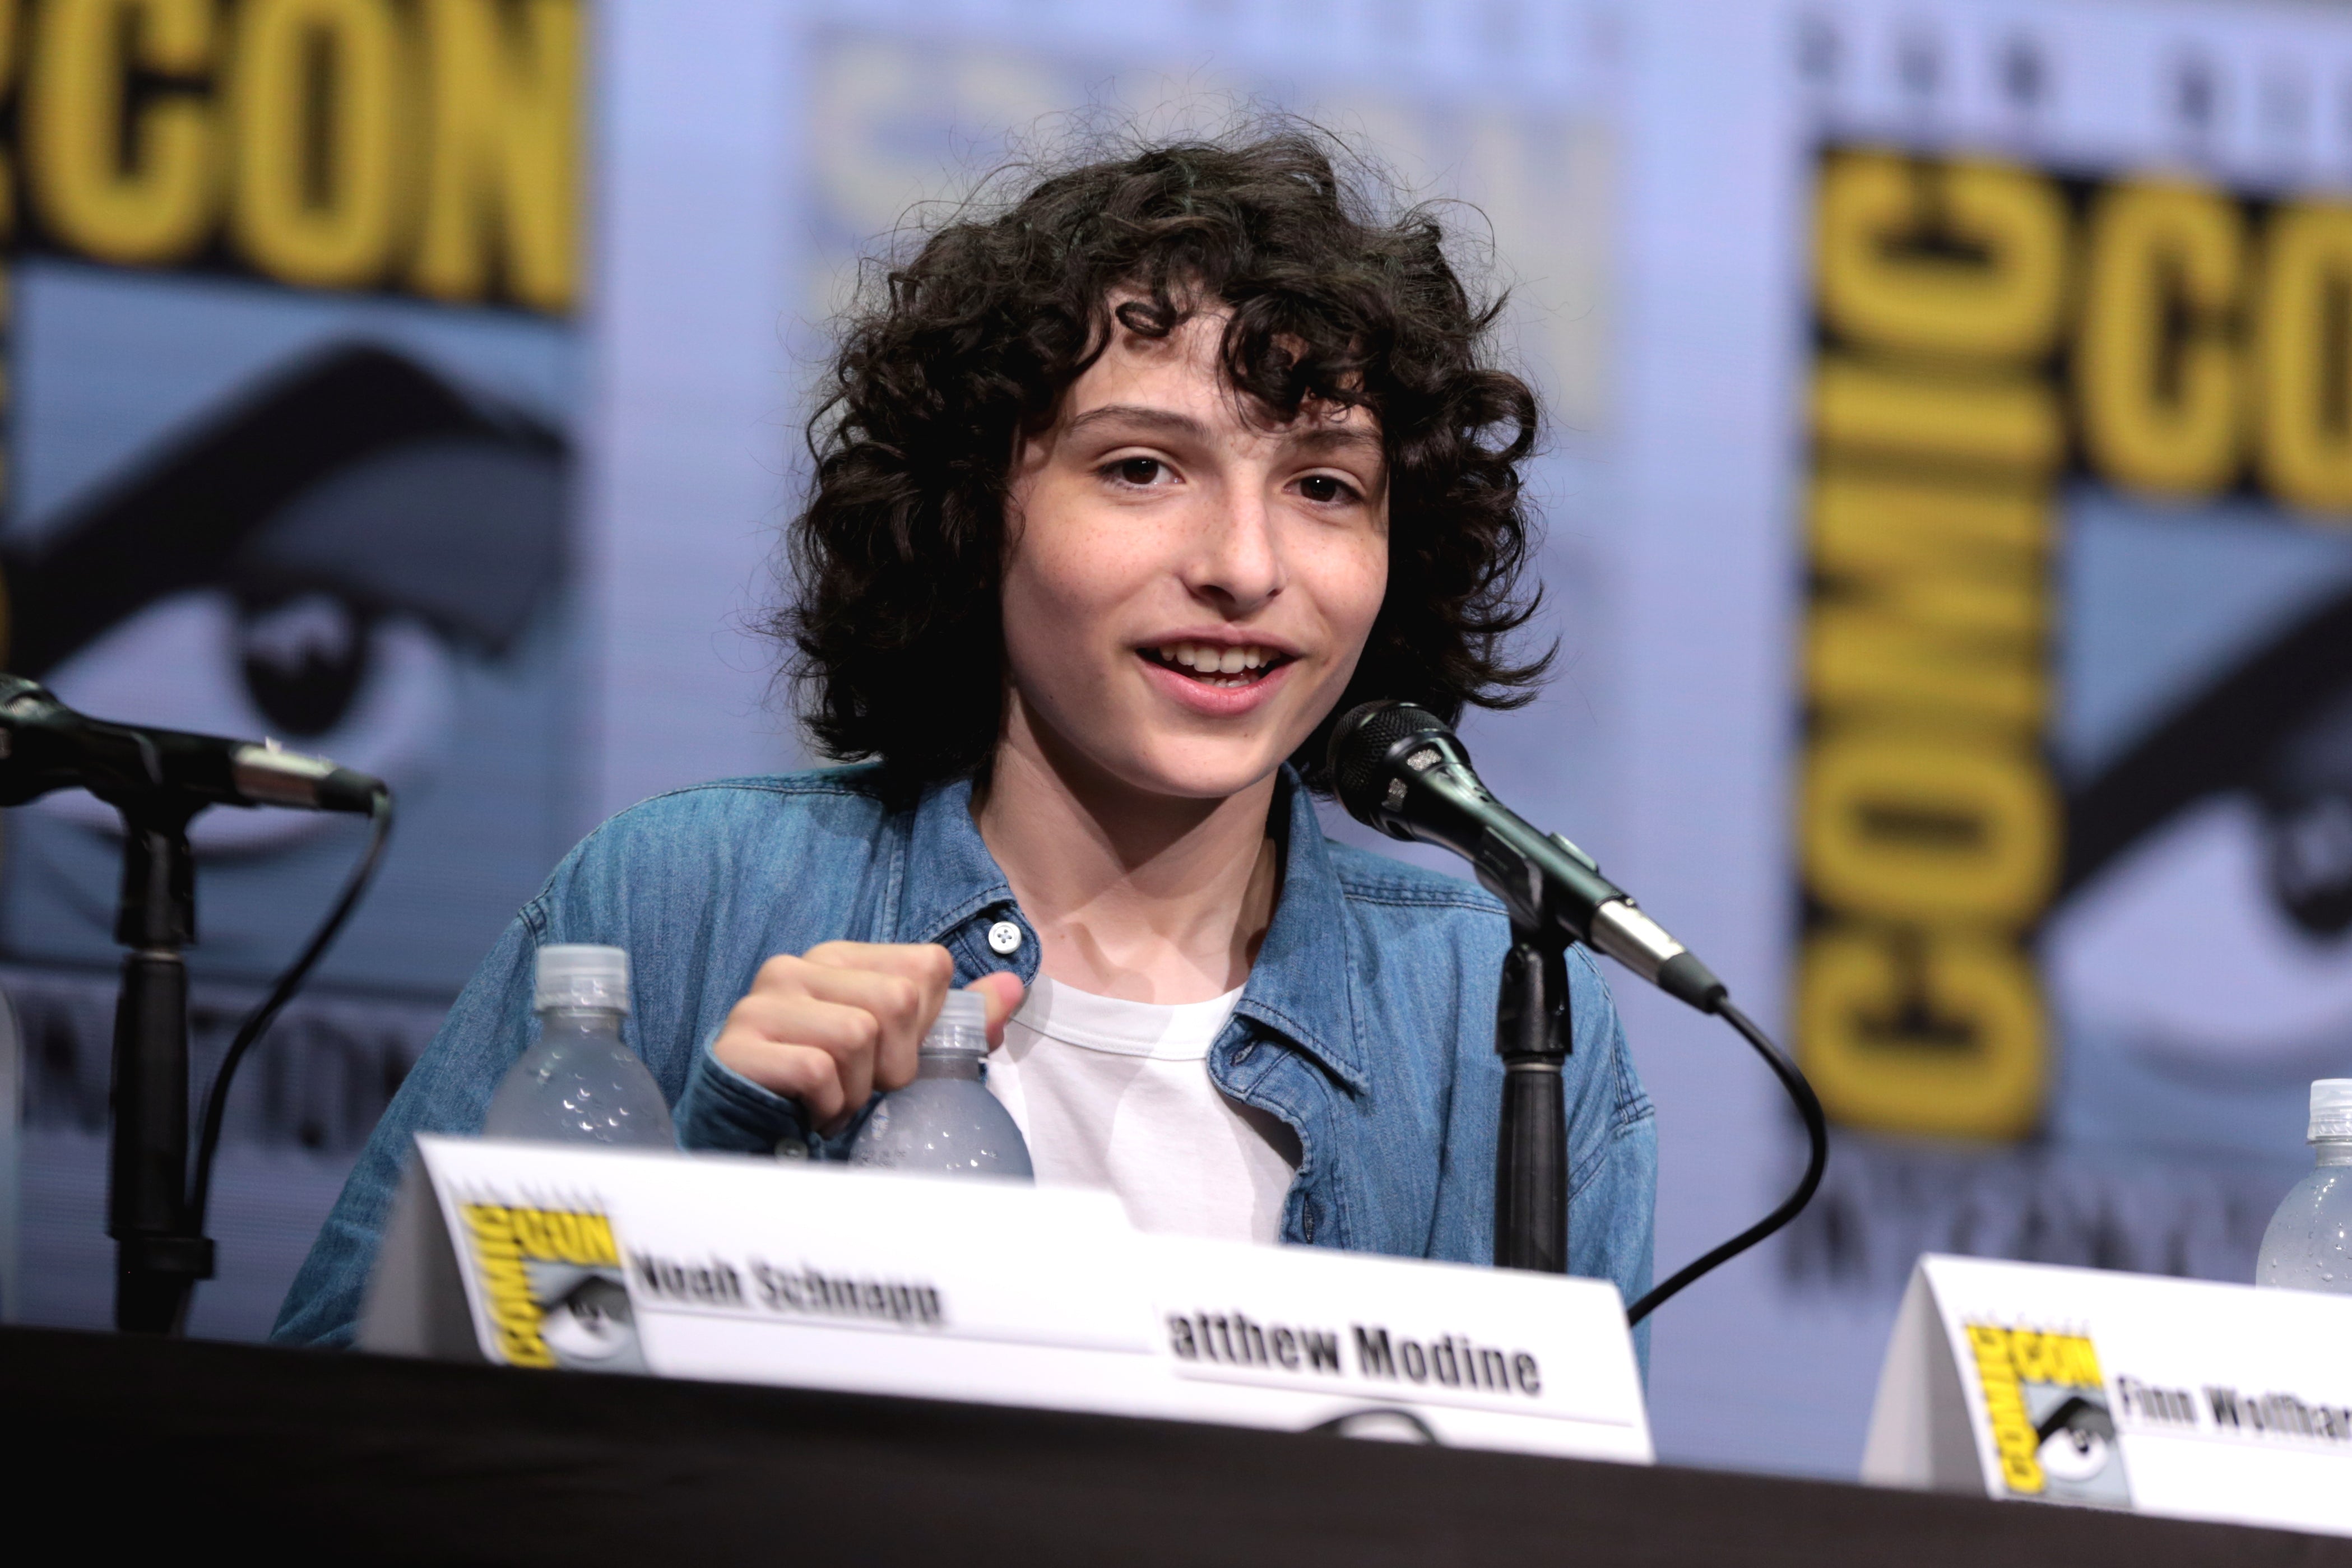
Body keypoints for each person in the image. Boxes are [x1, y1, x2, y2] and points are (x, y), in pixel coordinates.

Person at [273, 127, 1657, 1350]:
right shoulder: (683, 896)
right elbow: (340, 1424)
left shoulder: (1500, 1013)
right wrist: (703, 1164)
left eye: (1322, 484)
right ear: (971, 508)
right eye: (1140, 468)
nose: (1245, 564)